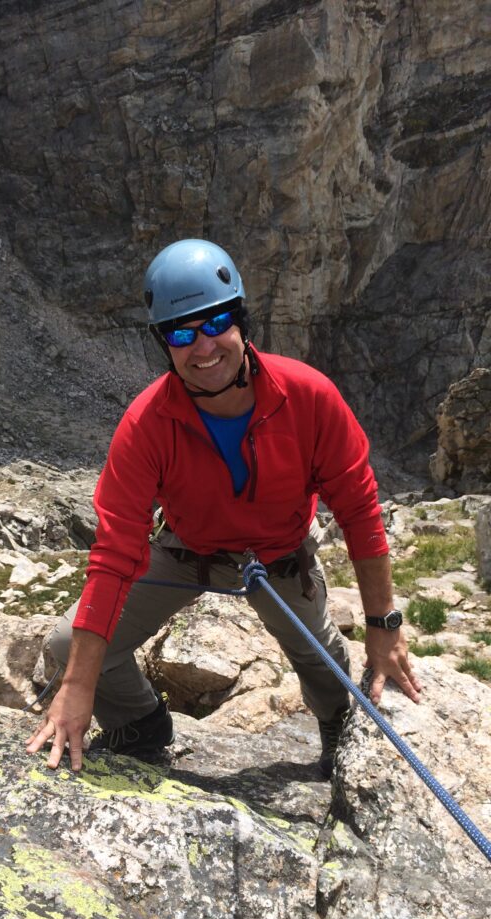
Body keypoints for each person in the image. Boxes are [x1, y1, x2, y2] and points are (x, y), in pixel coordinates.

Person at [26, 239, 420, 776]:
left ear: (241, 320)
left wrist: (383, 626)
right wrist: (77, 686)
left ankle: (335, 726)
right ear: (163, 344)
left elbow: (359, 511)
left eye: (215, 323)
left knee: (319, 658)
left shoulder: (309, 397)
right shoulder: (146, 426)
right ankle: (140, 724)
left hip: (279, 556)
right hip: (186, 552)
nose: (203, 346)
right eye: (182, 333)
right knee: (66, 645)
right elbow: (115, 554)